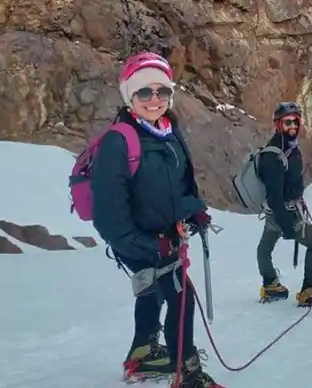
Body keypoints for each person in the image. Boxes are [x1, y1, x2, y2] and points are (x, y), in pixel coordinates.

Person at [90, 51, 222, 388]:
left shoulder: (168, 132)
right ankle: (187, 374)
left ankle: (143, 352)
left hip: (165, 233)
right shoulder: (118, 142)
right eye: (144, 92)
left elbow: (179, 184)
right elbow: (108, 217)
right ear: (129, 96)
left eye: (162, 91)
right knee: (181, 297)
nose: (154, 99)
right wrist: (148, 245)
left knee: (153, 290)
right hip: (138, 240)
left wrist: (194, 209)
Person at [256, 101, 312, 307]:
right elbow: (274, 195)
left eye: (296, 121)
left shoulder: (286, 148)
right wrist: (286, 226)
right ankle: (308, 290)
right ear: (277, 124)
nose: (293, 126)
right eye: (287, 122)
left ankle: (270, 285)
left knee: (265, 248)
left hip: (278, 212)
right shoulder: (273, 155)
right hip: (286, 213)